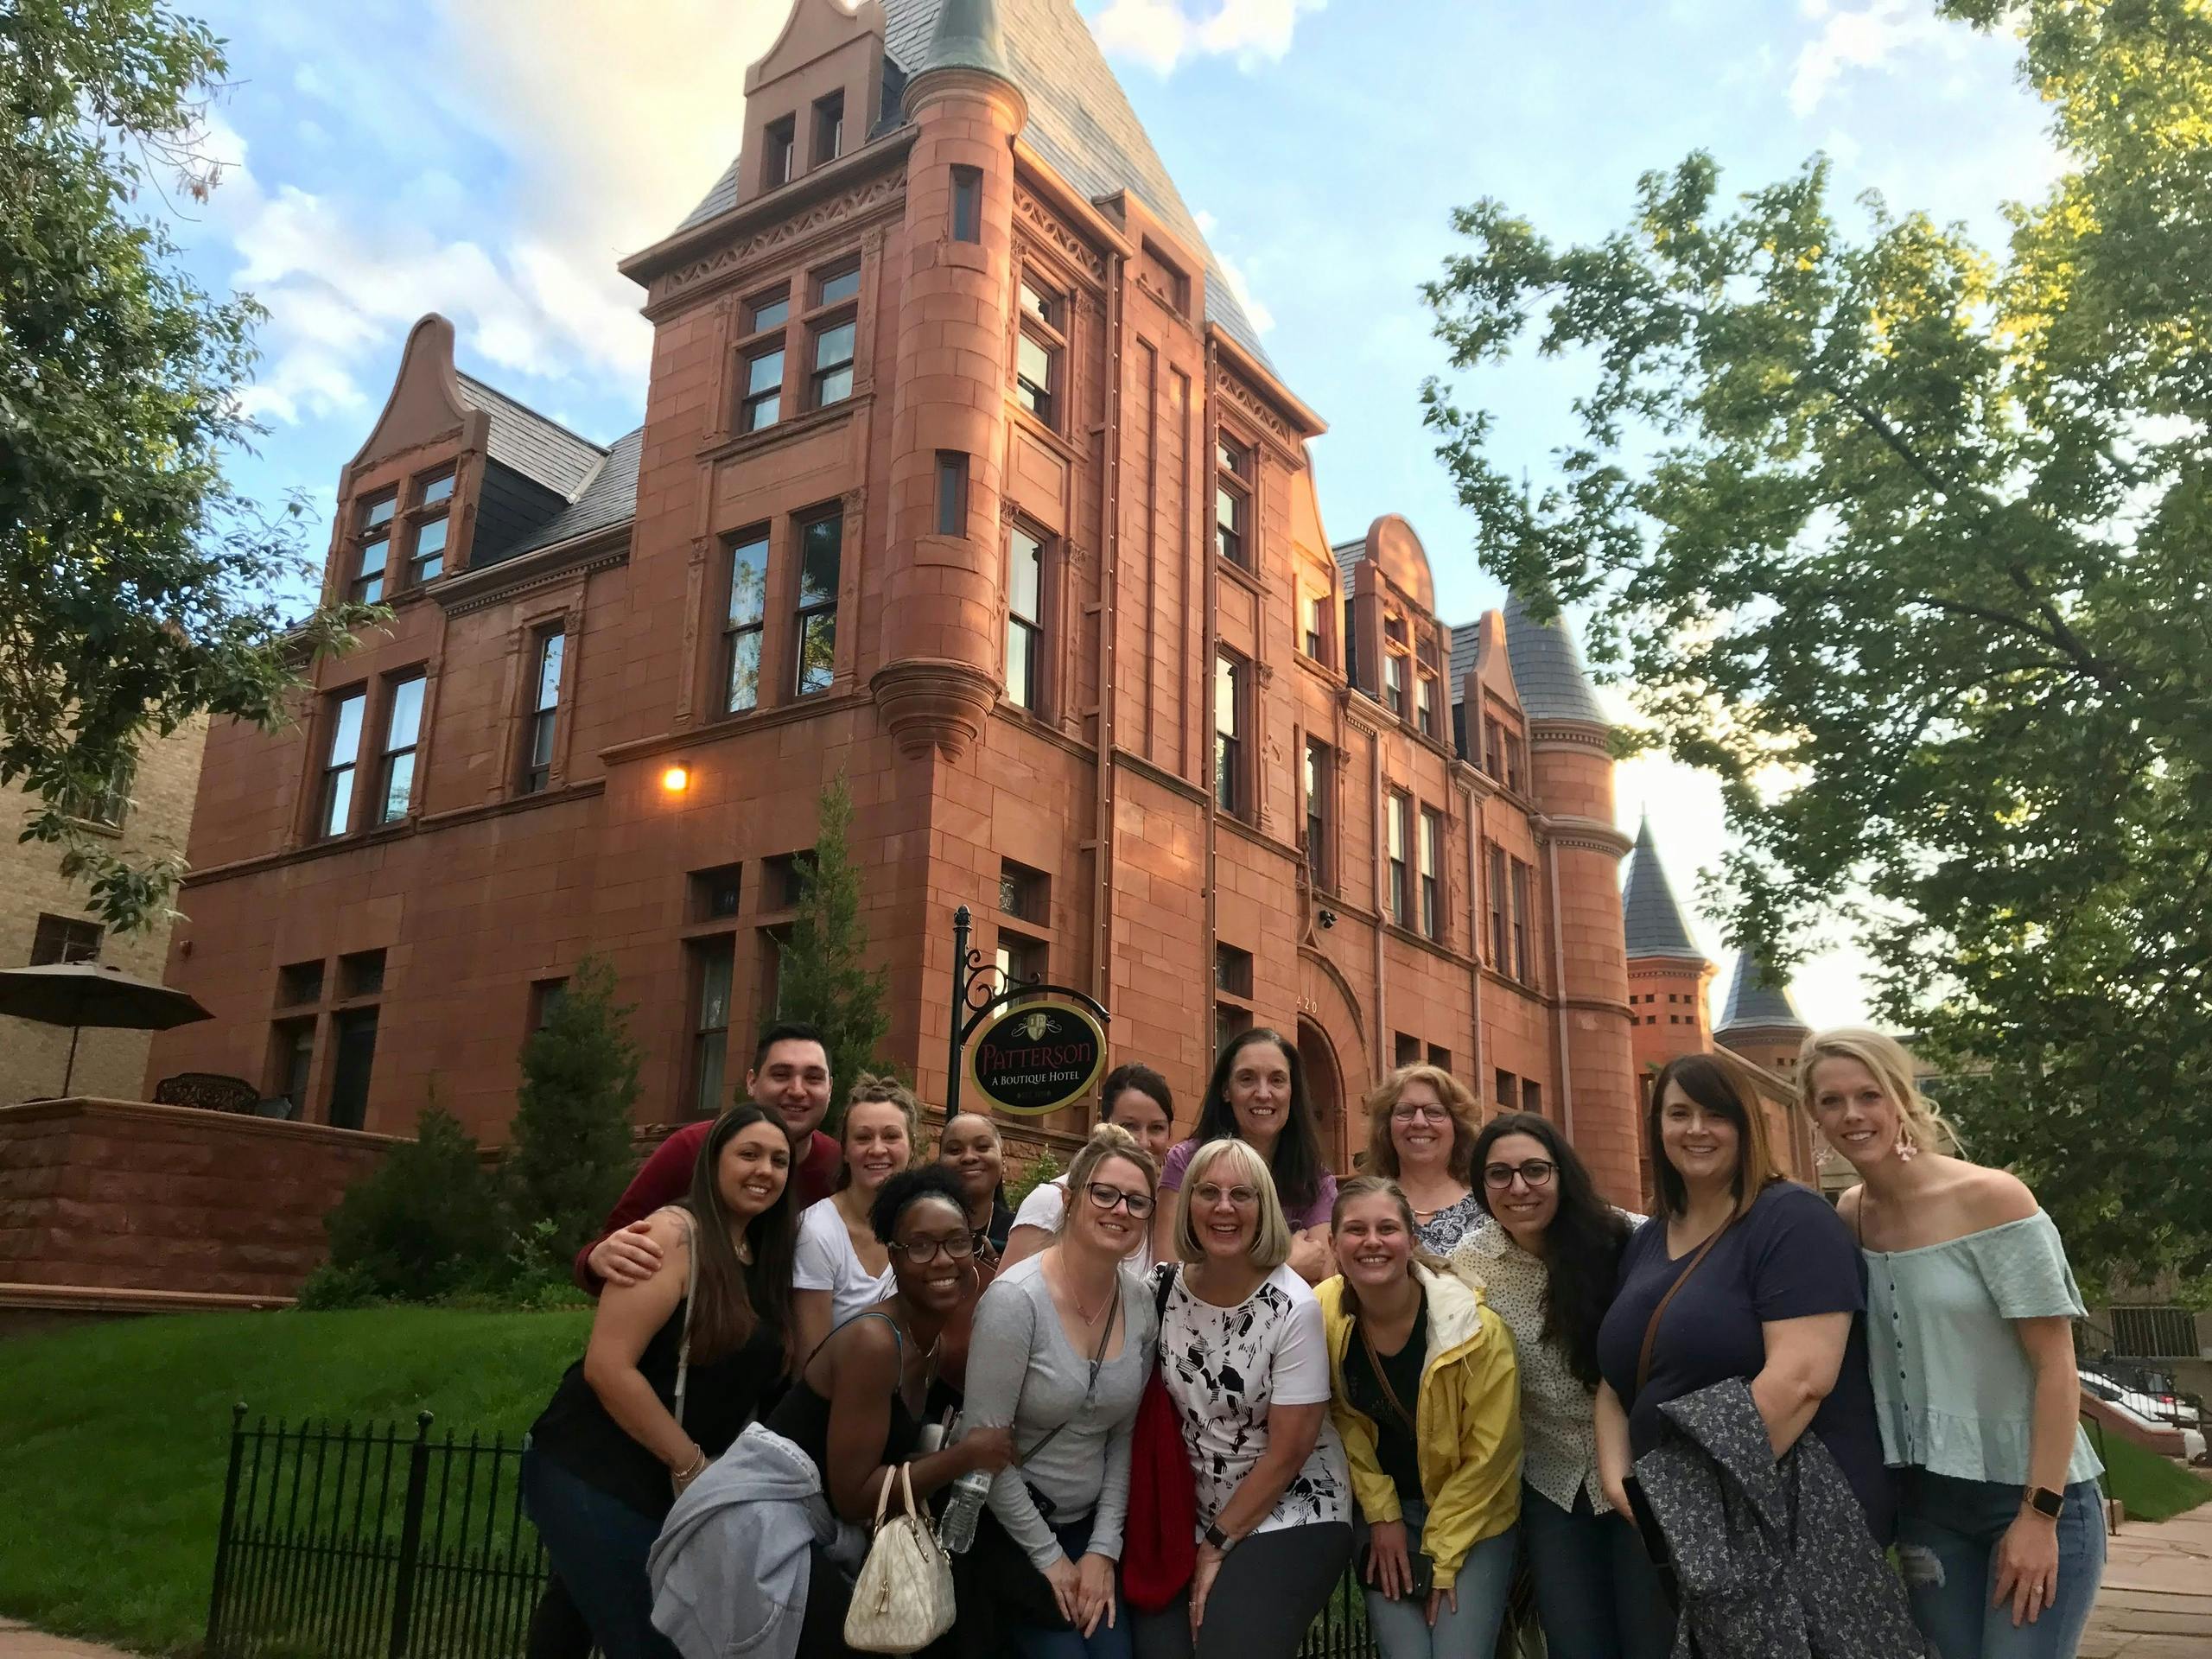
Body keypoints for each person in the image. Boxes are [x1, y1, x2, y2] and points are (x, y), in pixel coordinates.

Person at [1802, 1027, 2107, 1657]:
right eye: (1831, 1101)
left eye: (1869, 1094)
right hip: (1928, 1509)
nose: (1852, 1115)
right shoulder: (1849, 1215)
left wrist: (2038, 1516)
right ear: (1813, 1114)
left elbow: (2057, 1366)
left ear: (1900, 1099)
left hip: (2031, 1497)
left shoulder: (1993, 1199)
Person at [522, 1104, 798, 1659]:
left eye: (779, 1160)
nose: (764, 1170)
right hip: (593, 1470)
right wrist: (692, 1465)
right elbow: (608, 1365)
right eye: (748, 1154)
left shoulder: (763, 1256)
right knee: (652, 1642)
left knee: (576, 1622)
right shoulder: (673, 1234)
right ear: (712, 1163)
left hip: (662, 1488)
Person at [1594, 1050, 1895, 1552]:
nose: (1697, 1129)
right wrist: (1617, 1481)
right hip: (1666, 1522)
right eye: (1678, 1114)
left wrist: (1690, 1494)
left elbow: (1801, 1381)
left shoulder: (1792, 1221)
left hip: (1778, 1522)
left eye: (1716, 1115)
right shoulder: (1650, 1237)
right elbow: (1614, 1379)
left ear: (1746, 1126)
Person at [762, 1165, 1018, 1659]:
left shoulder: (932, 1339)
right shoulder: (874, 1342)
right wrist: (968, 1455)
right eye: (920, 1246)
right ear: (893, 1258)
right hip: (773, 1532)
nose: (942, 1260)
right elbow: (856, 1496)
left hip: (827, 1531)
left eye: (957, 1242)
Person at [1451, 1112, 1669, 1659]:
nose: (1518, 1187)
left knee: (1653, 1636)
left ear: (1562, 1174)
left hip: (1643, 1472)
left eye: (1534, 1170)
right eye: (1499, 1174)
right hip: (1552, 1484)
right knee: (1576, 1641)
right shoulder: (1470, 1265)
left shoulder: (1629, 1240)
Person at [1133, 1138, 1352, 1659]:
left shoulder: (1291, 1308)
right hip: (1188, 1508)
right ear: (1188, 1205)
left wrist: (1216, 1544)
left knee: (1230, 1648)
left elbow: (1288, 1453)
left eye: (1242, 1194)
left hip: (1291, 1505)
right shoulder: (1161, 1289)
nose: (1224, 1206)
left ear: (1266, 1209)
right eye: (1208, 1192)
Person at [963, 1124, 1162, 1659]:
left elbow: (1123, 1436)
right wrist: (1050, 1559)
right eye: (1104, 1193)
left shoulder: (1141, 1304)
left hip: (1090, 1526)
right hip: (1015, 1531)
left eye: (1137, 1202)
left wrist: (1102, 1550)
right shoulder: (1015, 1302)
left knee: (1116, 1654)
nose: (1120, 1209)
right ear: (1070, 1200)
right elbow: (984, 1450)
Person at [1318, 1177, 1521, 1659]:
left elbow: (1490, 1457)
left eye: (1387, 1228)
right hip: (1385, 1512)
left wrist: (1443, 1558)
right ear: (1333, 1244)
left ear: (1411, 1241)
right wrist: (1382, 1514)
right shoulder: (1322, 1314)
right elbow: (1339, 1417)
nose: (1371, 1242)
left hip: (1473, 1515)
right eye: (1355, 1230)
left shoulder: (1474, 1330)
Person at [575, 1022, 842, 1292]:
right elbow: (614, 1243)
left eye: (813, 1078)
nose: (797, 1090)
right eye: (781, 1075)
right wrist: (595, 1260)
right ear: (752, 1082)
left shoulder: (838, 1164)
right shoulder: (693, 1147)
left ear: (830, 1088)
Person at [1152, 1029, 1336, 1284]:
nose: (1263, 1093)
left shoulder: (1314, 1179)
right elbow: (1169, 1276)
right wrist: (1285, 1266)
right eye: (1247, 1079)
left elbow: (1322, 1274)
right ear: (1226, 1090)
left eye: (1277, 1080)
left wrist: (1218, 1270)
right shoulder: (1185, 1162)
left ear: (1292, 1092)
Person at [792, 1073, 920, 1362]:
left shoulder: (923, 1226)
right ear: (846, 1151)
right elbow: (809, 1363)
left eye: (891, 1136)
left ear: (911, 1147)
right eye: (863, 1137)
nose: (877, 1149)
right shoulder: (816, 1231)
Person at [1002, 1064, 1174, 1274]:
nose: (1144, 1141)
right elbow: (1006, 1297)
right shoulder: (1051, 1201)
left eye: (1157, 1128)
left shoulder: (1163, 1212)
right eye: (1129, 1126)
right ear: (1103, 1123)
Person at [1360, 1066, 1482, 1254]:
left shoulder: (1488, 1206)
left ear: (1457, 1126)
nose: (1418, 1122)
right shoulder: (1361, 1204)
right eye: (1405, 1111)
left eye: (1434, 1112)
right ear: (1386, 1126)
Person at [939, 1110, 1016, 1261]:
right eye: (955, 1150)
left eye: (982, 1147)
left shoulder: (1019, 1234)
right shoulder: (918, 1227)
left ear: (1003, 1161)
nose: (969, 1157)